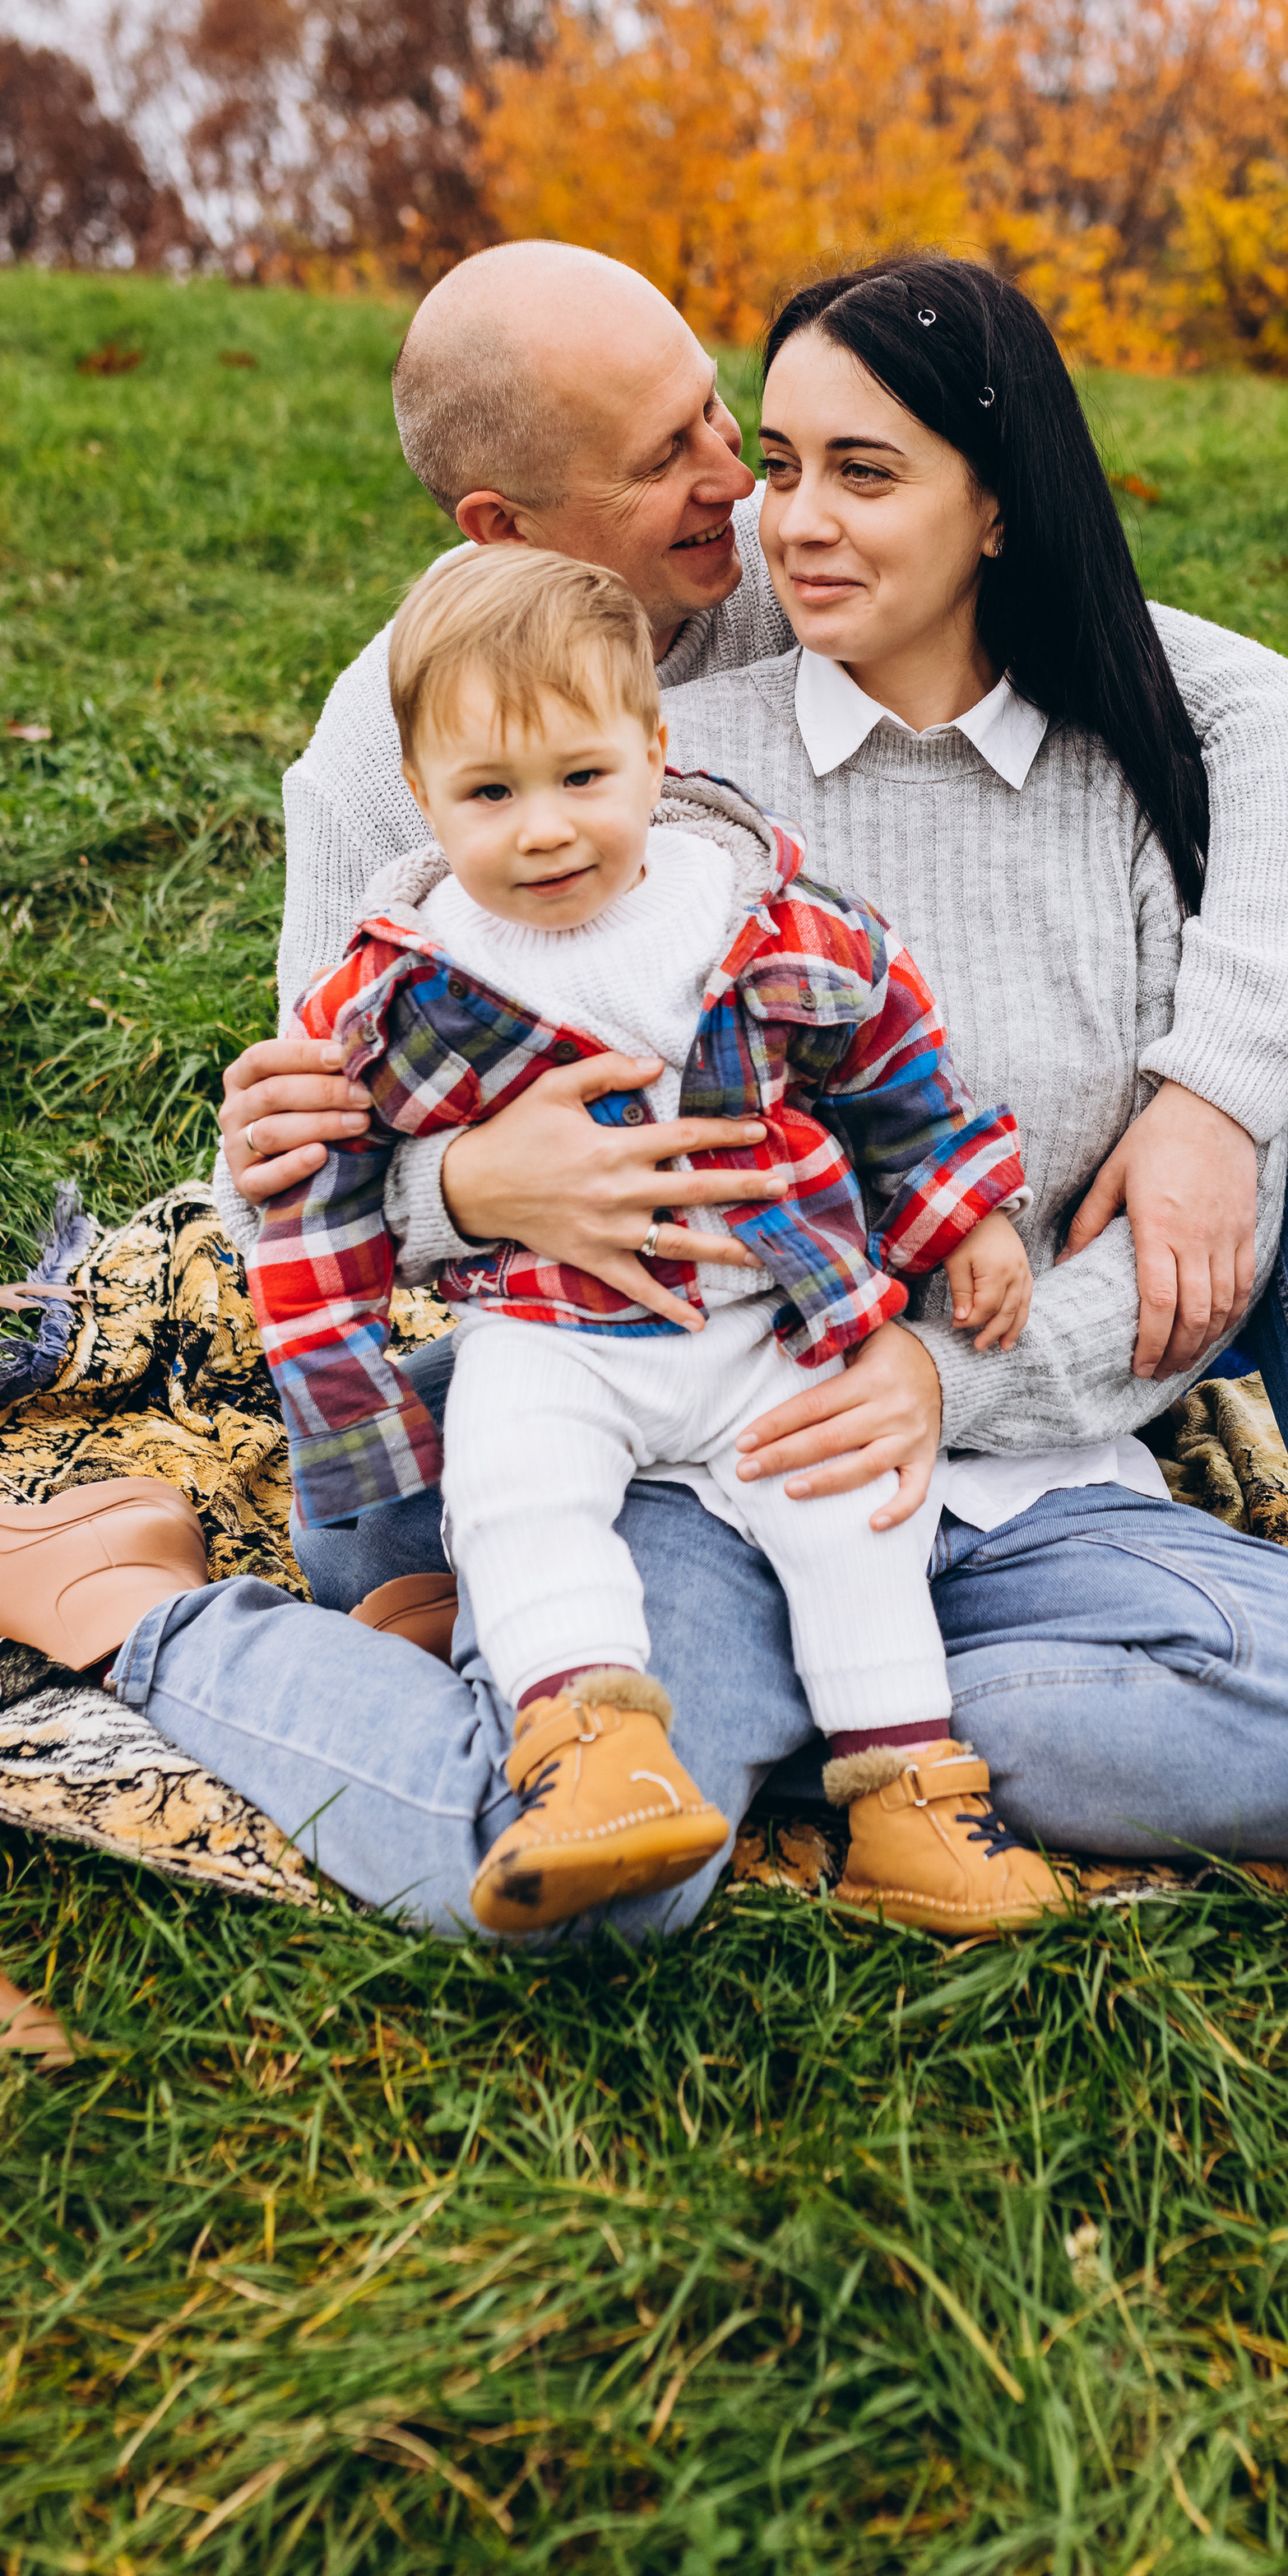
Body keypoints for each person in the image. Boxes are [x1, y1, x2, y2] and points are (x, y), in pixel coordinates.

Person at [0, 246, 1288, 1924]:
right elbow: (319, 1151)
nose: (752, 506)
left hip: (943, 1433)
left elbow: (1282, 727)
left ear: (982, 505)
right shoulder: (486, 751)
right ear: (503, 531)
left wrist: (1188, 1104)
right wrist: (471, 1189)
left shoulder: (976, 666)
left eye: (751, 438)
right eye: (702, 460)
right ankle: (171, 1619)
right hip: (645, 1401)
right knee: (601, 1858)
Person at [249, 542, 1063, 1938]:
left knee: (858, 1520)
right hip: (552, 1331)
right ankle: (588, 1750)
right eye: (489, 794)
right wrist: (351, 1406)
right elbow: (312, 1198)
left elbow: (893, 1061)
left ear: (655, 751)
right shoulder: (404, 985)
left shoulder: (750, 912)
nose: (545, 829)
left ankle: (909, 1798)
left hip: (770, 1321)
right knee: (512, 1489)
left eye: (583, 776)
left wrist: (963, 1213)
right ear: (422, 797)